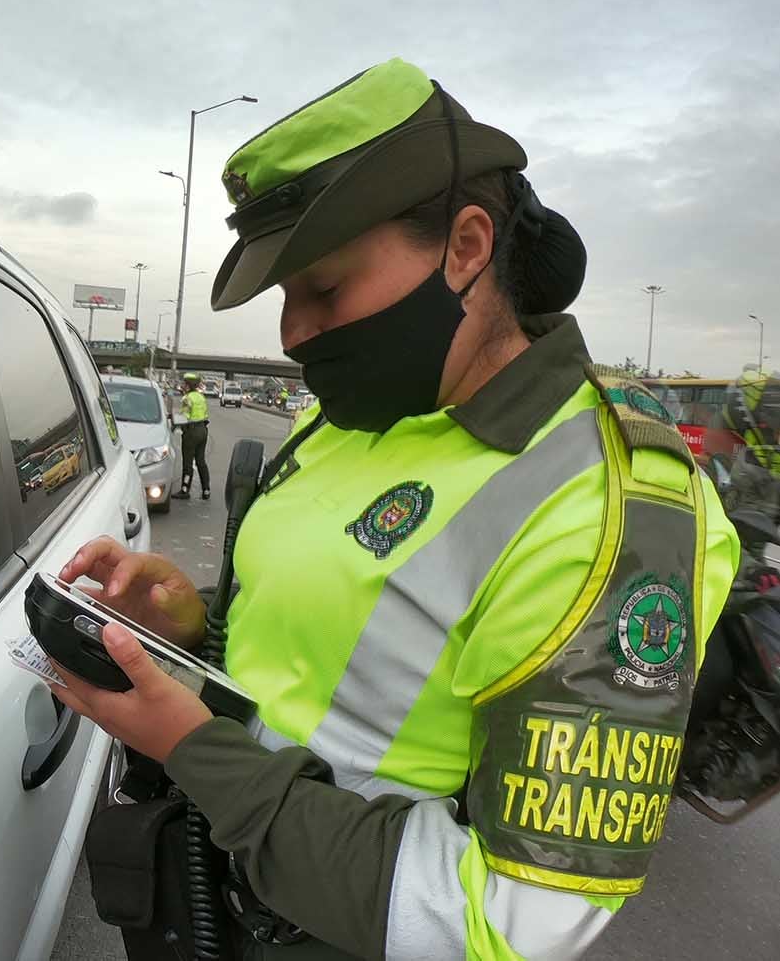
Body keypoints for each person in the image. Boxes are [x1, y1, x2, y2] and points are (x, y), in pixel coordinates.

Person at [54, 58, 739, 959]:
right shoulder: (348, 417)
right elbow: (334, 665)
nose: (291, 333)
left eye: (324, 287)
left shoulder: (605, 497)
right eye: (283, 297)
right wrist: (192, 628)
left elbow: (509, 922)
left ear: (465, 246)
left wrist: (195, 752)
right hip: (200, 897)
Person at [173, 371, 211, 501]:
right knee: (201, 461)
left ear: (188, 385)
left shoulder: (187, 399)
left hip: (191, 433)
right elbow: (205, 415)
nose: (182, 386)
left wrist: (173, 422)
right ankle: (206, 490)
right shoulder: (201, 397)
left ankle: (184, 490)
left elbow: (185, 418)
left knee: (188, 462)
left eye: (184, 384)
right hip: (203, 431)